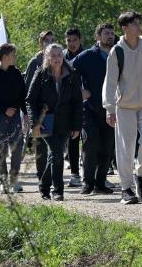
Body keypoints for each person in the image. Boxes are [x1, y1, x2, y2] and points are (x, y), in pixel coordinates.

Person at [103, 10, 142, 205]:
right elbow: (110, 83)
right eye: (135, 24)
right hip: (124, 107)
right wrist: (109, 109)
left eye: (139, 23)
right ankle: (126, 188)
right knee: (125, 149)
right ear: (125, 28)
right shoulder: (117, 51)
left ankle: (141, 175)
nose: (139, 27)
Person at [27, 43, 83, 201]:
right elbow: (30, 100)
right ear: (47, 58)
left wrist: (76, 125)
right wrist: (34, 123)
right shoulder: (41, 74)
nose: (57, 58)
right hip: (45, 120)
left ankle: (43, 186)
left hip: (65, 122)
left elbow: (77, 102)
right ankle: (58, 191)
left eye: (59, 55)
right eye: (53, 55)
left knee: (55, 156)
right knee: (57, 153)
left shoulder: (71, 74)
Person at [73, 23, 117, 195]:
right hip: (90, 109)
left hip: (111, 109)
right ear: (97, 36)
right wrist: (79, 91)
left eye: (112, 33)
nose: (110, 36)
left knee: (107, 147)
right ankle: (88, 183)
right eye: (106, 33)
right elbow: (67, 72)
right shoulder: (86, 56)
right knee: (90, 145)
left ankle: (100, 183)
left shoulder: (118, 54)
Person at [0, 43, 27, 193]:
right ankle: (4, 182)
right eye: (13, 55)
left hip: (15, 118)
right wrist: (3, 110)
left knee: (17, 149)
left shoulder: (17, 74)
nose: (15, 57)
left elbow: (23, 96)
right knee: (0, 150)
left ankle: (14, 180)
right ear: (5, 57)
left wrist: (26, 114)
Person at [23, 30, 58, 184]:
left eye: (52, 40)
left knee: (55, 146)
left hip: (55, 111)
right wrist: (28, 115)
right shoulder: (35, 62)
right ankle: (41, 177)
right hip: (39, 112)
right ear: (41, 43)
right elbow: (28, 91)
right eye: (46, 40)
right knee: (41, 147)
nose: (49, 43)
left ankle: (51, 177)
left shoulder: (58, 60)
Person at [63, 27, 83, 187]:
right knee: (73, 139)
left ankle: (97, 173)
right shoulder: (61, 57)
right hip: (69, 105)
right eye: (69, 40)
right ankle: (75, 173)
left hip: (87, 102)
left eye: (74, 40)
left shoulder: (87, 56)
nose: (72, 43)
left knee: (91, 140)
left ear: (80, 40)